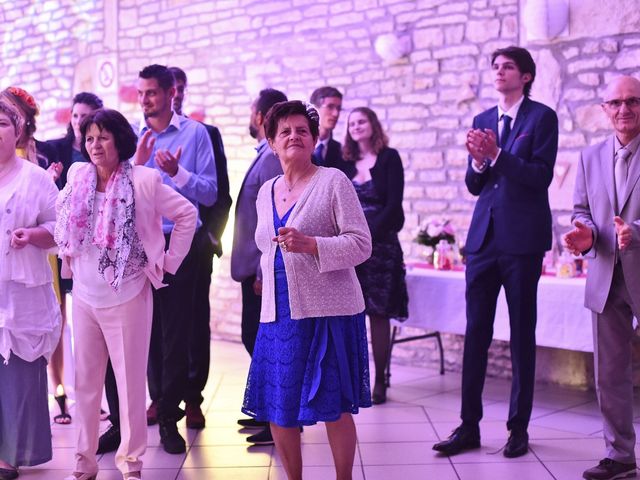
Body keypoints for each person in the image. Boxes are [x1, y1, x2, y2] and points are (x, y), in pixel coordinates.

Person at [56, 108, 197, 480]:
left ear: (120, 140)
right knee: (85, 386)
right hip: (85, 295)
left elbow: (186, 216)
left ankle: (131, 466)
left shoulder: (144, 180)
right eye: (89, 138)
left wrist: (168, 263)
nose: (95, 145)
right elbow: (63, 220)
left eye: (103, 137)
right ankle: (83, 464)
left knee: (131, 385)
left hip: (129, 294)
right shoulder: (77, 175)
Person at [433, 46, 558, 458]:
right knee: (476, 335)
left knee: (522, 334)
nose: (499, 72)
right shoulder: (482, 120)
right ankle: (468, 426)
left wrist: (497, 155)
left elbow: (539, 177)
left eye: (508, 67)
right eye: (495, 67)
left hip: (522, 242)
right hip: (483, 240)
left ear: (525, 76)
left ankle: (518, 429)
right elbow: (474, 184)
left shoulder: (542, 118)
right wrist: (480, 163)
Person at [241, 100, 372, 480]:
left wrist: (314, 244)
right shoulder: (266, 190)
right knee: (278, 404)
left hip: (327, 311)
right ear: (271, 142)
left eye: (302, 130)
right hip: (277, 312)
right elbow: (267, 245)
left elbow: (361, 244)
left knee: (334, 402)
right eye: (285, 131)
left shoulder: (333, 182)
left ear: (314, 139)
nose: (294, 136)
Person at [135, 64, 217, 454]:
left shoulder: (196, 133)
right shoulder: (136, 137)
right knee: (148, 332)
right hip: (143, 249)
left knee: (179, 333)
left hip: (183, 246)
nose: (145, 100)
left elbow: (212, 193)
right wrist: (138, 161)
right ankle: (158, 401)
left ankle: (177, 411)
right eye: (141, 93)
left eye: (151, 92)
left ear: (171, 93)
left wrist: (177, 172)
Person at [563, 75, 640, 480]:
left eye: (633, 101)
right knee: (609, 374)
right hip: (606, 276)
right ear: (605, 108)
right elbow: (580, 208)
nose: (624, 109)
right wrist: (585, 232)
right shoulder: (590, 156)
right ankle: (620, 456)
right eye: (616, 102)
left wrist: (637, 231)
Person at [168, 66, 232, 429]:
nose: (173, 94)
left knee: (194, 323)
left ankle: (193, 398)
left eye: (178, 88)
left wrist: (211, 236)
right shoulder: (142, 135)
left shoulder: (204, 133)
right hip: (156, 242)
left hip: (195, 243)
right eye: (168, 89)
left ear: (183, 91)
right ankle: (162, 397)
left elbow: (221, 192)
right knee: (160, 323)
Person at [0, 101, 61, 480]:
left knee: (19, 374)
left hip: (22, 294)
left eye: (2, 123)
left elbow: (60, 229)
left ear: (17, 130)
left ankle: (11, 455)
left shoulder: (35, 177)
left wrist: (33, 234)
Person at [231, 88, 287, 446]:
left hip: (259, 269)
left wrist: (264, 272)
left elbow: (271, 218)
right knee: (256, 338)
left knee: (260, 339)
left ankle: (279, 418)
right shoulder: (262, 155)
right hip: (252, 266)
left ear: (261, 116)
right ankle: (268, 413)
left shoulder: (269, 160)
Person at [342, 106, 408, 405]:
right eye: (352, 123)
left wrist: (365, 237)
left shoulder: (389, 158)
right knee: (350, 314)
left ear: (373, 124)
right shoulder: (344, 163)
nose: (356, 127)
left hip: (381, 247)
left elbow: (394, 204)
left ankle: (380, 380)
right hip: (349, 250)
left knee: (378, 314)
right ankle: (354, 379)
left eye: (361, 121)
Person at [46, 91, 105, 425]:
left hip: (91, 252)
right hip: (59, 247)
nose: (81, 121)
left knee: (88, 327)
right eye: (77, 115)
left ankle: (90, 394)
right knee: (59, 322)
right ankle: (61, 394)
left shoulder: (103, 151)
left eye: (88, 115)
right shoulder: (54, 150)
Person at [309, 86, 346, 169]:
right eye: (330, 107)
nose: (336, 114)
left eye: (338, 108)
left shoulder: (342, 152)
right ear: (314, 109)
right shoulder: (299, 145)